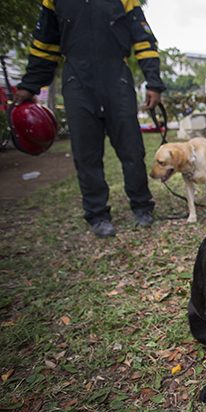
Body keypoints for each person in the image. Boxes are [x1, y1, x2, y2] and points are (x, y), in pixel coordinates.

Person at [15, 0, 165, 238]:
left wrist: (154, 83)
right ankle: (97, 214)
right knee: (86, 155)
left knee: (132, 150)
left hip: (117, 79)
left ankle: (142, 205)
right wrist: (29, 86)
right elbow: (45, 44)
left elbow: (144, 39)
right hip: (77, 81)